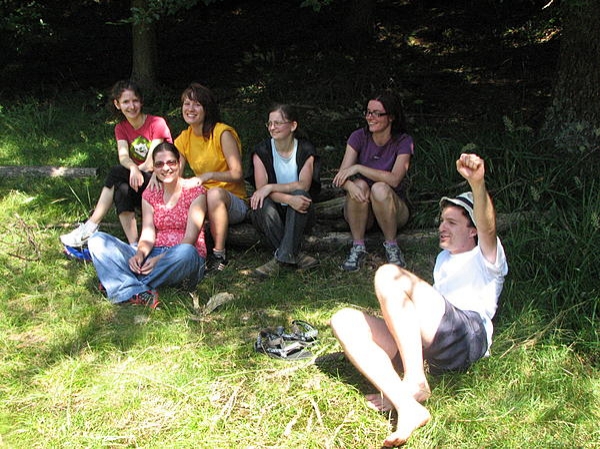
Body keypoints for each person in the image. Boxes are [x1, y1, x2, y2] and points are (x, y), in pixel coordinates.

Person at [330, 153, 508, 447]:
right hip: (434, 343)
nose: (442, 227)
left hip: (467, 335)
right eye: (442, 221)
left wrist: (477, 183)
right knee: (343, 320)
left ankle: (414, 379)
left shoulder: (486, 257)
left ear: (472, 230)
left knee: (388, 274)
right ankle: (406, 404)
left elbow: (489, 227)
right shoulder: (443, 259)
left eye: (452, 222)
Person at [87, 142, 207, 309]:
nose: (166, 168)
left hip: (182, 257)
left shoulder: (195, 192)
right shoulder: (150, 194)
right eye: (159, 164)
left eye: (171, 162)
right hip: (153, 253)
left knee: (186, 252)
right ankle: (136, 289)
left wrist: (159, 259)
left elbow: (190, 239)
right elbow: (148, 234)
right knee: (97, 240)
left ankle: (123, 284)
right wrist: (139, 254)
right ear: (154, 168)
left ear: (179, 163)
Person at [60, 80, 172, 247]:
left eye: (135, 100)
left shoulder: (157, 123)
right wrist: (133, 168)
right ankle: (134, 245)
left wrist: (134, 171)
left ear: (141, 101)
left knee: (116, 173)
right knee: (121, 189)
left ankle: (90, 226)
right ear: (117, 104)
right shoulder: (121, 128)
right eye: (126, 102)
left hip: (160, 181)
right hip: (139, 183)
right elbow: (124, 157)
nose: (131, 106)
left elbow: (152, 162)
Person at [332, 90, 413, 272]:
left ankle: (392, 246)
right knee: (359, 185)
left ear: (391, 117)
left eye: (377, 113)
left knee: (380, 188)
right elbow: (341, 176)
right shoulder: (358, 136)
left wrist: (359, 168)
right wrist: (350, 185)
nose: (370, 117)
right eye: (368, 112)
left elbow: (394, 179)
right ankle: (358, 246)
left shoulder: (403, 141)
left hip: (393, 209)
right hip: (363, 210)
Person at [173, 83, 248, 271]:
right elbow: (175, 174)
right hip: (203, 200)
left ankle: (219, 255)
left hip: (232, 202)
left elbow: (238, 173)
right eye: (187, 104)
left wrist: (207, 176)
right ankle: (177, 250)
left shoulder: (222, 133)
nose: (190, 109)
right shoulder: (184, 138)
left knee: (214, 193)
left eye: (197, 104)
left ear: (207, 109)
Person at [246, 104, 321, 277]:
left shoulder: (305, 149)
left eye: (278, 123)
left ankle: (280, 260)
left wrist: (271, 187)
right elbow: (260, 191)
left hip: (300, 213)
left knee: (301, 196)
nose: (272, 127)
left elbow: (304, 185)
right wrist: (288, 199)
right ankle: (292, 255)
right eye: (270, 123)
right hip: (271, 214)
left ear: (293, 125)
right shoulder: (261, 151)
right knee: (261, 201)